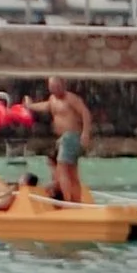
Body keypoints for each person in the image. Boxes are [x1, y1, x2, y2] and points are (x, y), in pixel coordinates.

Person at [43, 74, 93, 203]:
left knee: (63, 168)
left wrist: (85, 133)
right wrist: (30, 106)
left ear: (63, 85)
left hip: (71, 137)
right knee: (68, 170)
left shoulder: (71, 98)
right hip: (62, 139)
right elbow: (46, 106)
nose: (54, 89)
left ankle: (67, 201)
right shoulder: (52, 99)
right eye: (52, 87)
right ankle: (74, 199)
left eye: (57, 86)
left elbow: (85, 113)